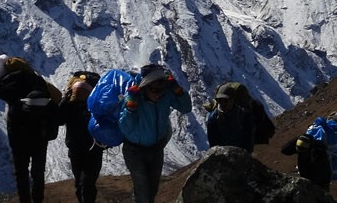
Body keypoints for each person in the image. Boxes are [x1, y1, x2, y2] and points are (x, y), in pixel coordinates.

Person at [117, 64, 192, 203]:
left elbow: (186, 107)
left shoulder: (166, 94)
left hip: (156, 147)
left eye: (161, 90)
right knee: (143, 190)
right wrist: (130, 109)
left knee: (152, 190)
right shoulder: (133, 97)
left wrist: (178, 90)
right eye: (155, 90)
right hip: (134, 150)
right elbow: (125, 128)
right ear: (146, 87)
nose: (158, 94)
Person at [0, 57, 59, 203]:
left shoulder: (7, 82)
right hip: (39, 133)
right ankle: (38, 200)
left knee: (21, 172)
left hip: (18, 134)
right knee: (38, 172)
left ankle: (24, 200)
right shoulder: (38, 81)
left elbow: (0, 94)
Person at [57, 71, 104, 203]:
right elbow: (59, 119)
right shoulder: (95, 103)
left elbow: (59, 119)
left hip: (78, 147)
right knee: (86, 182)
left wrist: (66, 99)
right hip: (93, 147)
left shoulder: (71, 103)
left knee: (83, 182)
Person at [203, 83, 257, 153]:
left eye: (225, 100)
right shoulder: (213, 119)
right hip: (222, 154)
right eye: (219, 100)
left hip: (241, 152)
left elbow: (248, 140)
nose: (222, 103)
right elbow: (213, 145)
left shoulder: (244, 116)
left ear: (233, 100)